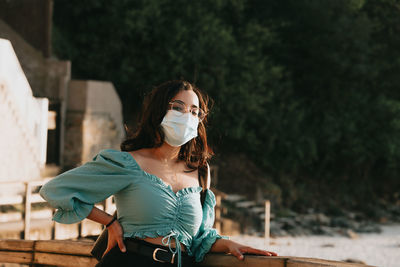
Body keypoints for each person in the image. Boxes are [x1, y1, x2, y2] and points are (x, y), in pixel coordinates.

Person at [39, 80, 277, 267]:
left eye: (195, 111)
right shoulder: (128, 162)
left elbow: (200, 238)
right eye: (178, 107)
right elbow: (55, 190)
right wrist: (110, 222)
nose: (188, 116)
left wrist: (231, 245)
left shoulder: (200, 173)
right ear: (158, 111)